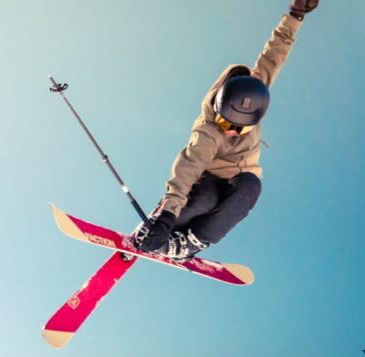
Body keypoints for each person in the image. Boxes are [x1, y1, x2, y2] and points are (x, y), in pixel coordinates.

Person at [135, 0, 320, 261]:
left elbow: (275, 52)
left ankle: (190, 242)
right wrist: (166, 215)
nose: (231, 131)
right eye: (226, 124)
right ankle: (162, 228)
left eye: (240, 128)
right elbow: (188, 168)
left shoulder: (256, 88)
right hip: (209, 175)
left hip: (240, 176)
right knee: (204, 201)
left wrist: (296, 15)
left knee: (250, 188)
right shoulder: (208, 131)